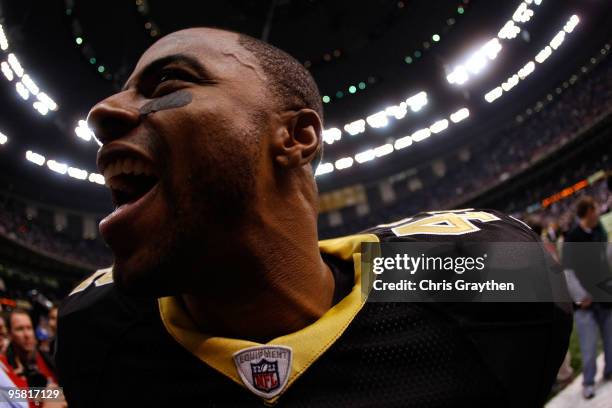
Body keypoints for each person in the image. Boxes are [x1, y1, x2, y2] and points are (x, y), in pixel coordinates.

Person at [56, 27, 572, 407]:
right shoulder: (95, 331)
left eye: (167, 83)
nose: (101, 112)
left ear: (297, 137)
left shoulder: (482, 271)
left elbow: (597, 276)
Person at [563, 195, 612, 399]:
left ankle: (610, 370)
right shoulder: (572, 237)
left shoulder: (599, 229)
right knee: (589, 347)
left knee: (610, 339)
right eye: (595, 209)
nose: (598, 212)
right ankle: (588, 382)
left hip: (605, 295)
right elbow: (567, 271)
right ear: (588, 212)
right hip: (586, 303)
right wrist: (580, 296)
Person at [1, 310, 57, 390]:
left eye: (29, 328)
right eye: (19, 329)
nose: (27, 334)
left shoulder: (46, 358)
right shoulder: (4, 368)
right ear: (9, 334)